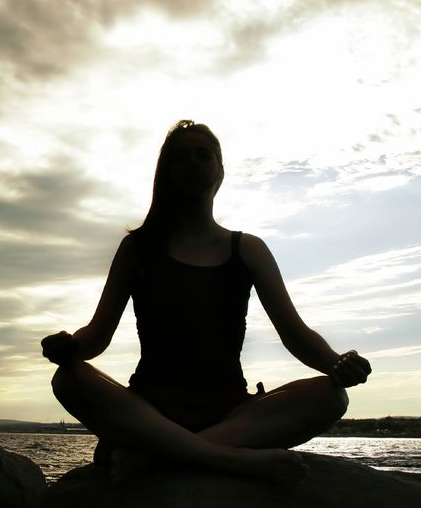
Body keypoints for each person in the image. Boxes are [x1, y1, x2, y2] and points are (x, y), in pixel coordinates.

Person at [42, 120, 371, 482]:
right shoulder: (138, 249)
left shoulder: (246, 249)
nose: (194, 163)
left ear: (220, 170)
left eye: (204, 155)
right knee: (68, 380)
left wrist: (338, 364)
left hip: (229, 411)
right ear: (166, 172)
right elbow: (97, 335)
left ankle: (156, 457)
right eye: (181, 158)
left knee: (331, 396)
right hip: (149, 407)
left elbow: (295, 333)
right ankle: (228, 458)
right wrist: (70, 348)